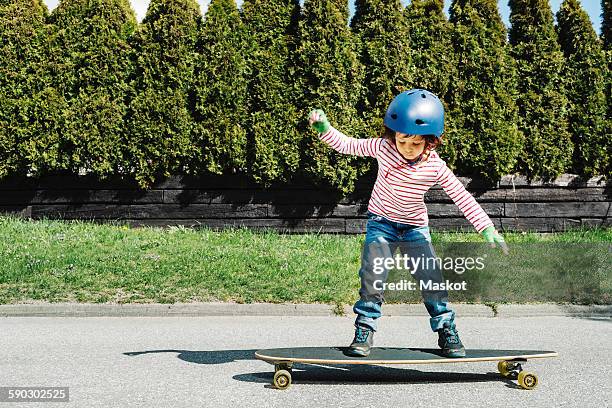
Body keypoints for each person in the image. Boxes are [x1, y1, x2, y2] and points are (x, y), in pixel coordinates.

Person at [308, 89, 508, 358]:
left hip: (415, 229)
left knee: (431, 279)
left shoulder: (435, 167)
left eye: (417, 144)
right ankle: (364, 329)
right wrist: (325, 128)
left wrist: (486, 228)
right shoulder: (383, 147)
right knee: (373, 275)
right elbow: (347, 144)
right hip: (382, 224)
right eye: (403, 140)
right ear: (394, 134)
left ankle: (447, 330)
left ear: (431, 141)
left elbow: (461, 196)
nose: (408, 149)